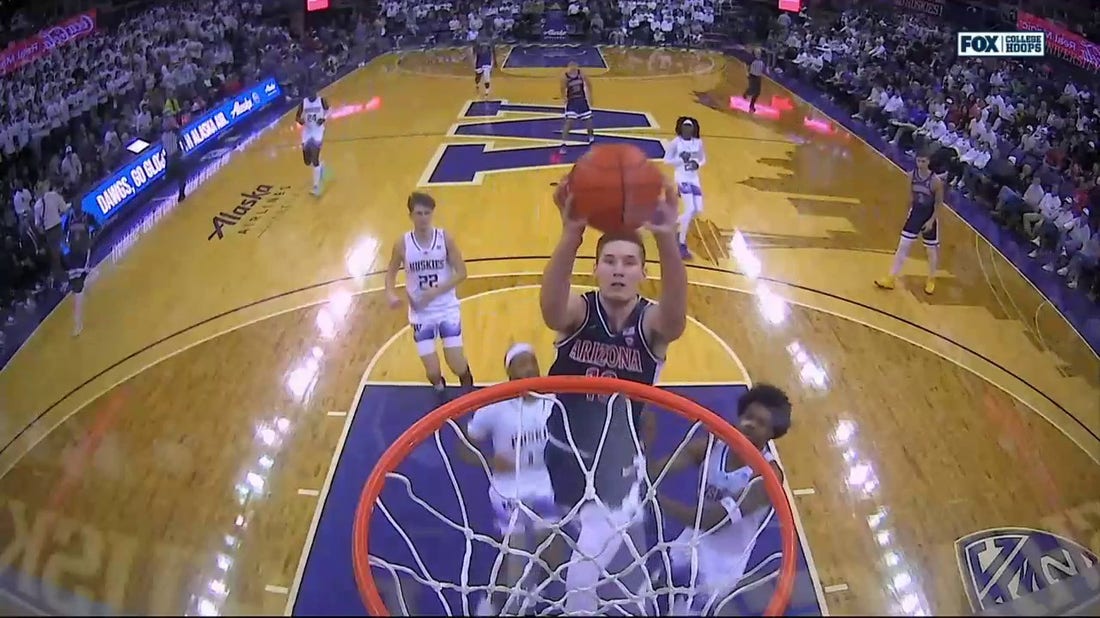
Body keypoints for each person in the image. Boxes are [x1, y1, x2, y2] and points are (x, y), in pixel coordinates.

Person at [539, 174, 687, 613]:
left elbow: (676, 317)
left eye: (628, 262)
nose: (619, 269)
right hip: (563, 451)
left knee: (582, 570)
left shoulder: (651, 324)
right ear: (596, 269)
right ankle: (633, 580)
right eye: (609, 261)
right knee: (574, 532)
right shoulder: (580, 311)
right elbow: (550, 310)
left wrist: (666, 238)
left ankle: (595, 601)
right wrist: (570, 235)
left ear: (643, 273)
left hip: (615, 465)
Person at [649, 384, 793, 615]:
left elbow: (714, 521)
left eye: (761, 423)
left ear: (772, 432)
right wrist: (643, 450)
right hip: (691, 539)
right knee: (657, 591)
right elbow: (658, 470)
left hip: (722, 564)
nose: (751, 424)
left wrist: (659, 503)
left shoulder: (767, 476)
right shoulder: (712, 444)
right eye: (749, 417)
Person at [461, 343, 560, 616]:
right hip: (509, 493)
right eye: (521, 364)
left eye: (531, 363)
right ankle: (494, 599)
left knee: (552, 554)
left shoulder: (555, 401)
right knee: (515, 558)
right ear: (510, 373)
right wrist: (492, 461)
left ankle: (536, 593)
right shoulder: (494, 408)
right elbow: (463, 447)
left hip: (546, 487)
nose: (528, 368)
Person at [385, 192, 475, 397]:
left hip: (446, 308)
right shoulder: (402, 244)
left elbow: (462, 273)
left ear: (432, 214)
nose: (423, 217)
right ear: (411, 216)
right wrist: (390, 293)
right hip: (420, 314)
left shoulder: (445, 239)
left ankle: (469, 389)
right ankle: (439, 391)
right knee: (432, 372)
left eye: (427, 213)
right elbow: (390, 273)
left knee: (456, 363)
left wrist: (435, 292)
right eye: (419, 213)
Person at [875, 149, 943, 295]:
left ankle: (931, 278)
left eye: (923, 161)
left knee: (931, 251)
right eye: (918, 160)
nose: (920, 164)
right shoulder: (911, 176)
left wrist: (931, 221)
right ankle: (891, 277)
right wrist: (909, 213)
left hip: (929, 216)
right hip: (915, 213)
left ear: (929, 162)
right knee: (903, 245)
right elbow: (910, 198)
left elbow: (938, 204)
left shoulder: (936, 181)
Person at [665, 117, 706, 260]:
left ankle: (674, 223)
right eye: (685, 127)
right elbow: (667, 160)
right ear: (680, 129)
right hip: (682, 178)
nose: (687, 130)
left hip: (694, 178)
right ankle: (681, 244)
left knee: (697, 210)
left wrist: (697, 164)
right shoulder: (675, 143)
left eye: (689, 127)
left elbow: (702, 159)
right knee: (689, 209)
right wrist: (681, 159)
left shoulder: (698, 143)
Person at [60, 205, 95, 337]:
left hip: (83, 253)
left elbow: (97, 226)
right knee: (80, 284)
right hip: (75, 254)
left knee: (78, 291)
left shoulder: (87, 217)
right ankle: (78, 324)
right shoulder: (69, 220)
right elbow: (64, 235)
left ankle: (78, 325)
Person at [296, 85, 330, 197]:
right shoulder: (304, 102)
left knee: (314, 159)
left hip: (318, 131)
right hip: (307, 131)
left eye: (313, 91)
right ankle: (321, 166)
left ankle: (316, 186)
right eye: (309, 92)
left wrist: (324, 118)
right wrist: (300, 120)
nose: (311, 94)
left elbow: (328, 110)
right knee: (307, 161)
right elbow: (297, 117)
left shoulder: (321, 101)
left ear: (315, 91)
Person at [559, 61, 594, 155]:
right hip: (572, 102)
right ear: (568, 67)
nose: (573, 68)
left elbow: (589, 84)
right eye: (571, 67)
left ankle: (591, 140)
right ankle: (563, 143)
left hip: (582, 100)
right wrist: (564, 99)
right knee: (569, 122)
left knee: (589, 122)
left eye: (575, 67)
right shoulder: (564, 76)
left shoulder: (581, 74)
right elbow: (562, 88)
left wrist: (590, 97)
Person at [743, 48, 765, 114]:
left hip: (758, 77)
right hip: (752, 76)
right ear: (755, 54)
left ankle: (751, 106)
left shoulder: (761, 61)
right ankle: (746, 93)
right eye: (757, 53)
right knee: (752, 90)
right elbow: (745, 65)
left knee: (757, 92)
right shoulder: (751, 60)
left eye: (759, 53)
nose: (759, 54)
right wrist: (747, 73)